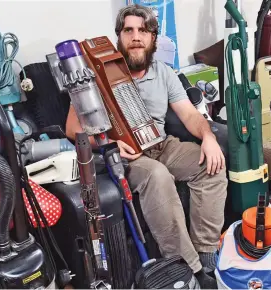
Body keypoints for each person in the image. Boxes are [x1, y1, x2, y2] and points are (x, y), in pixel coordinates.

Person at [65, 4, 227, 288]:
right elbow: (72, 130)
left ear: (153, 38)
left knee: (212, 165)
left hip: (162, 144)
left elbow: (189, 114)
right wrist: (111, 142)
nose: (136, 36)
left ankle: (207, 254)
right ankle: (188, 271)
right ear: (119, 36)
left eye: (143, 30)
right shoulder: (92, 76)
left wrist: (209, 137)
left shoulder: (163, 72)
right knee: (157, 175)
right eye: (128, 30)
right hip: (125, 155)